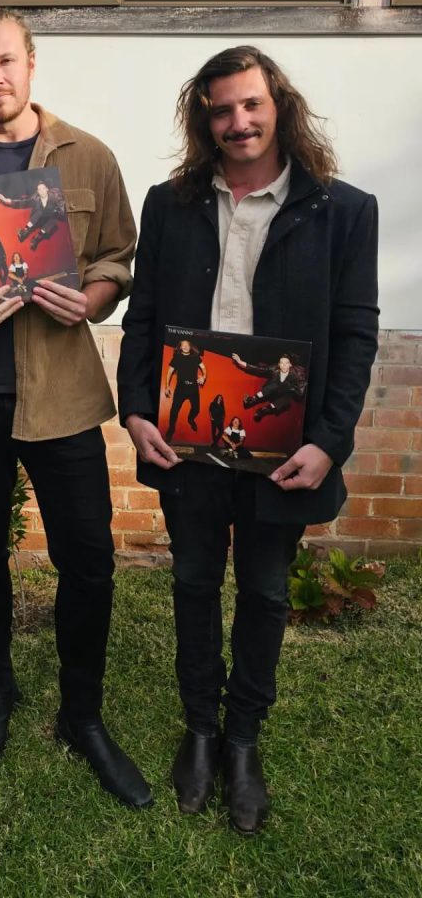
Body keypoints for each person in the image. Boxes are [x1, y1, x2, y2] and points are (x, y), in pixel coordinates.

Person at [117, 45, 378, 834]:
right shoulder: (172, 204)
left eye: (251, 105)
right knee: (194, 584)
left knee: (264, 593)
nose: (238, 122)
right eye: (222, 109)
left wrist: (330, 440)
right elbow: (143, 320)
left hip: (283, 451)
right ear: (205, 118)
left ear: (279, 106)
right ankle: (199, 727)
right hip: (191, 443)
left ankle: (242, 739)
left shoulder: (343, 210)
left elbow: (355, 334)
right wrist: (136, 410)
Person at [0, 7, 149, 808]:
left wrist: (90, 296)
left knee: (88, 559)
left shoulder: (89, 158)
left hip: (65, 395)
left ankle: (83, 714)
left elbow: (120, 251)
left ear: (32, 63)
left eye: (6, 60)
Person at [232, 351, 307, 422]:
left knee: (287, 396)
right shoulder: (274, 369)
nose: (284, 365)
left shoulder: (297, 374)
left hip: (281, 397)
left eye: (286, 363)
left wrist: (295, 387)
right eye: (281, 363)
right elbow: (258, 369)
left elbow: (300, 393)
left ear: (290, 365)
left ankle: (263, 411)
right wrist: (240, 362)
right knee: (275, 385)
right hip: (269, 391)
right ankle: (252, 399)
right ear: (279, 364)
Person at [0, 179, 66, 249]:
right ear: (38, 192)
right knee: (39, 211)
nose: (42, 191)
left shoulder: (54, 197)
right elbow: (21, 202)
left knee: (53, 219)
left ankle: (36, 239)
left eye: (43, 189)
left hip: (48, 219)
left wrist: (59, 211)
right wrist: (6, 200)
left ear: (47, 189)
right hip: (37, 218)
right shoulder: (35, 199)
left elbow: (62, 208)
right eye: (40, 190)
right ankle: (25, 231)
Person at [163, 338, 206, 441]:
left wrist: (203, 377)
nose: (186, 346)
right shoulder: (176, 358)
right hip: (181, 388)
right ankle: (171, 428)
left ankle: (191, 419)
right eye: (183, 345)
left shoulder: (196, 357)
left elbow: (204, 368)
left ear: (190, 346)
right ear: (180, 347)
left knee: (196, 409)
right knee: (174, 410)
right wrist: (167, 386)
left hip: (193, 388)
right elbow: (169, 372)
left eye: (187, 344)